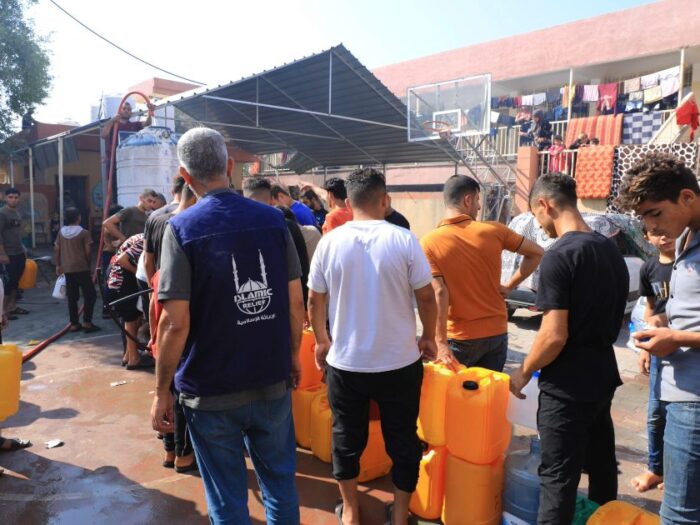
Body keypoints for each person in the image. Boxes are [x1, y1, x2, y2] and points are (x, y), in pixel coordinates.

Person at [151, 127, 304, 524]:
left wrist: (161, 390)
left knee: (226, 497)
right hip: (270, 379)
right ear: (230, 166)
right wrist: (292, 357)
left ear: (185, 176)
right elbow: (293, 302)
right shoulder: (274, 220)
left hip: (211, 389)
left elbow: (174, 324)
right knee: (281, 485)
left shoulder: (182, 229)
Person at [308, 167, 438, 525]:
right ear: (385, 200)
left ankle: (350, 510)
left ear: (347, 203)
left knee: (345, 438)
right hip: (399, 362)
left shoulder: (330, 242)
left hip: (346, 363)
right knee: (403, 439)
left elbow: (314, 301)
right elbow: (427, 298)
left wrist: (322, 340)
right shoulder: (404, 239)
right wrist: (428, 337)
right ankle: (398, 515)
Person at [510, 173, 628, 524]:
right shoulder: (609, 249)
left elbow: (553, 335)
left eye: (536, 216)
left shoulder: (558, 256)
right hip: (602, 376)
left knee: (557, 478)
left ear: (545, 205)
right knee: (603, 466)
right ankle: (606, 518)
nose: (539, 225)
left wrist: (523, 370)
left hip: (566, 387)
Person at [616, 153, 700, 525]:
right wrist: (662, 321)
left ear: (686, 197)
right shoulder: (687, 238)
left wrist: (676, 336)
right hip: (676, 386)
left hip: (693, 398)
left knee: (678, 515)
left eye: (655, 213)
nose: (651, 226)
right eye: (644, 218)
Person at [421, 175, 543, 372]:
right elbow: (537, 252)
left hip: (460, 338)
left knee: (454, 398)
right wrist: (509, 286)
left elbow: (439, 293)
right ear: (467, 200)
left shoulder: (429, 242)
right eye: (478, 200)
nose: (479, 207)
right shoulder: (494, 230)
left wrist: (440, 342)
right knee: (488, 397)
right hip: (496, 334)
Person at [630, 227, 675, 493]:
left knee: (684, 418)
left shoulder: (688, 265)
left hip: (687, 350)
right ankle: (656, 468)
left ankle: (678, 471)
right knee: (656, 414)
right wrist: (645, 348)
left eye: (666, 231)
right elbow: (649, 308)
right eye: (655, 233)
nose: (664, 236)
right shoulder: (648, 269)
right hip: (659, 352)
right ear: (647, 238)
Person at [242, 177, 311, 305]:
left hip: (252, 302)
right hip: (284, 303)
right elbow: (302, 267)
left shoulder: (239, 229)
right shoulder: (286, 225)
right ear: (270, 199)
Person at [107, 233, 153, 370]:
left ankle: (128, 356)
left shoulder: (139, 236)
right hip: (122, 281)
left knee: (132, 318)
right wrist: (139, 272)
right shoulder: (145, 239)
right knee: (131, 319)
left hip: (116, 279)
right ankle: (134, 359)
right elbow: (122, 260)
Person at [54, 207, 99, 333]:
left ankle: (74, 323)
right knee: (90, 295)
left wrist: (58, 265)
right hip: (81, 267)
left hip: (67, 268)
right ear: (79, 217)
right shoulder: (84, 232)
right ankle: (87, 322)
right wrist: (89, 265)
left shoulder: (61, 233)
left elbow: (57, 249)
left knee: (72, 297)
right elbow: (88, 252)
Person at [143, 177, 189, 282]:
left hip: (158, 280)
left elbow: (147, 260)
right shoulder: (193, 215)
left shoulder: (153, 216)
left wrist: (152, 287)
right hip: (183, 283)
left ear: (172, 192)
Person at [0, 188, 28, 319]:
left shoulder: (17, 213)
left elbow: (17, 233)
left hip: (19, 252)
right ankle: (3, 311)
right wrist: (2, 254)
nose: (13, 199)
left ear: (19, 199)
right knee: (8, 282)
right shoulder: (2, 213)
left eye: (16, 197)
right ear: (5, 198)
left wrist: (23, 248)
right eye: (10, 197)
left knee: (16, 281)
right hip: (8, 253)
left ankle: (12, 307)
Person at [100, 204, 123, 319]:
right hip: (110, 255)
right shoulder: (110, 226)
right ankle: (107, 308)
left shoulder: (112, 225)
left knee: (112, 281)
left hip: (109, 255)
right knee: (111, 282)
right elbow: (116, 242)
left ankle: (110, 307)